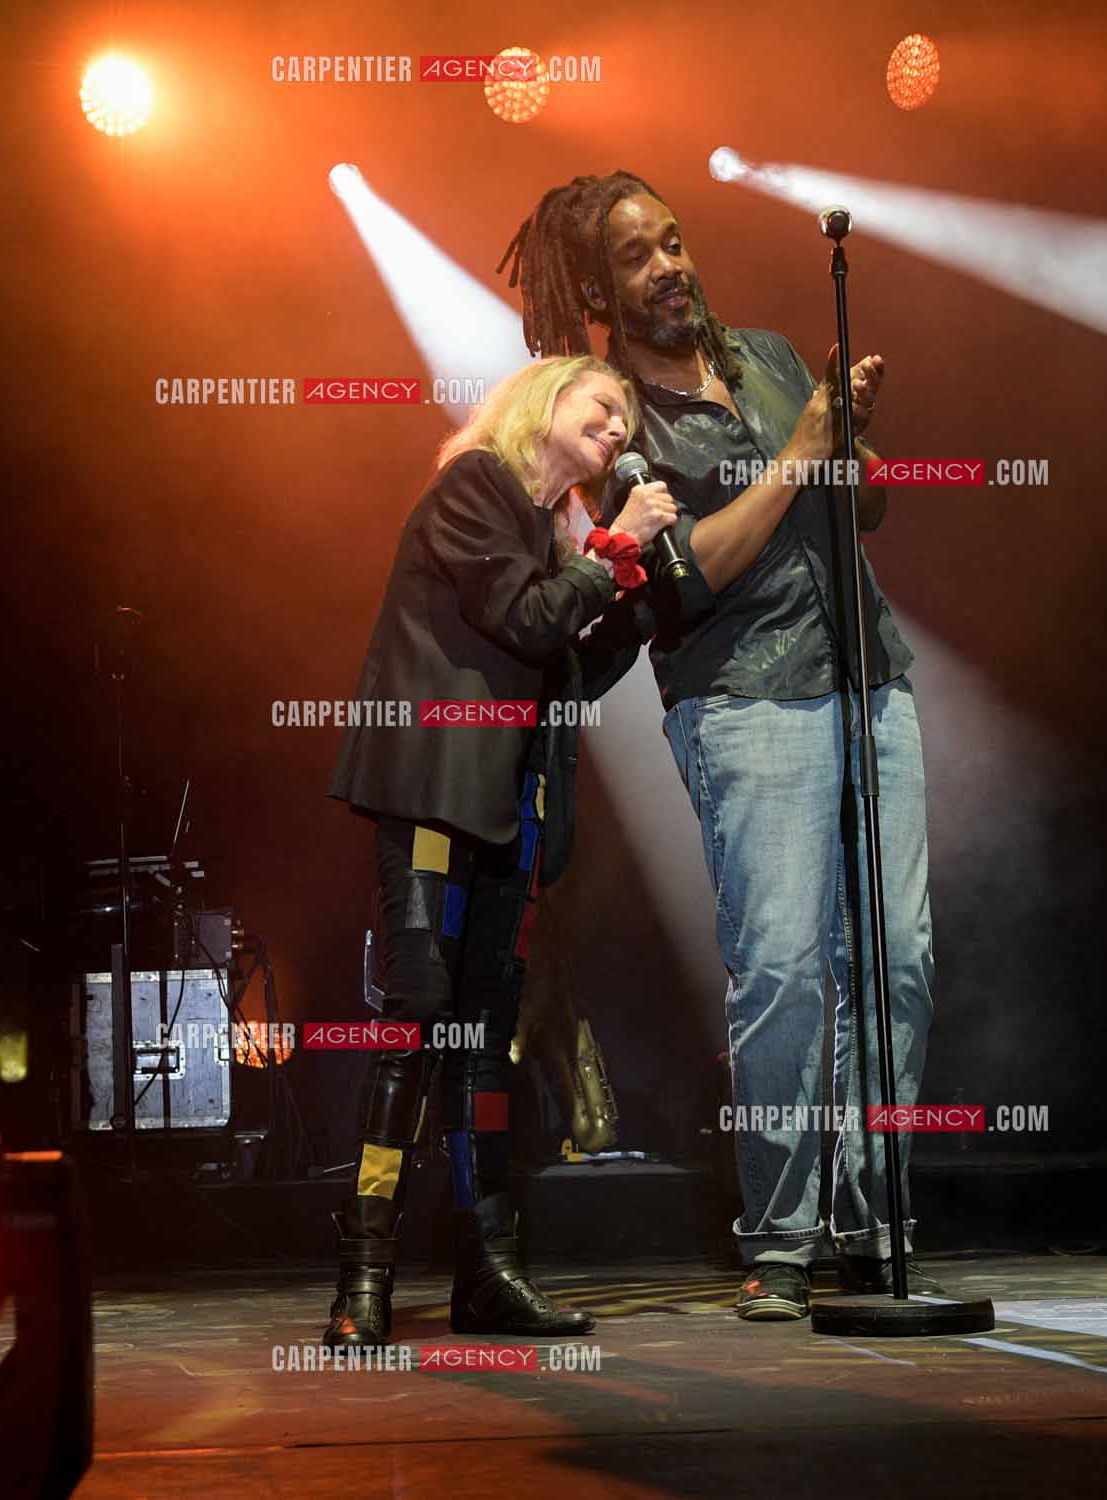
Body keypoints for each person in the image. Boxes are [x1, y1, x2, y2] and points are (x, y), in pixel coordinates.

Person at [499, 171, 943, 1320]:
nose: (672, 269)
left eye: (678, 244)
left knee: (895, 963)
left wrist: (852, 449)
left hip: (867, 675)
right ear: (600, 287)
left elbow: (872, 511)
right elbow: (687, 572)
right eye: (641, 257)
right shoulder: (617, 423)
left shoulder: (768, 354)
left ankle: (874, 1220)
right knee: (787, 969)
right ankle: (785, 1237)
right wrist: (799, 453)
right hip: (747, 698)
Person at [323, 354, 678, 1347]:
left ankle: (488, 1268)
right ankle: (364, 1271)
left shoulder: (551, 532)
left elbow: (558, 672)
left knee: (484, 1041)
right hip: (437, 795)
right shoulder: (477, 483)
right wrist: (609, 557)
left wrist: (642, 605)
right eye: (604, 406)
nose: (618, 426)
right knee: (419, 1019)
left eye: (628, 418)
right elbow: (521, 616)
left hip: (508, 817)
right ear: (549, 401)